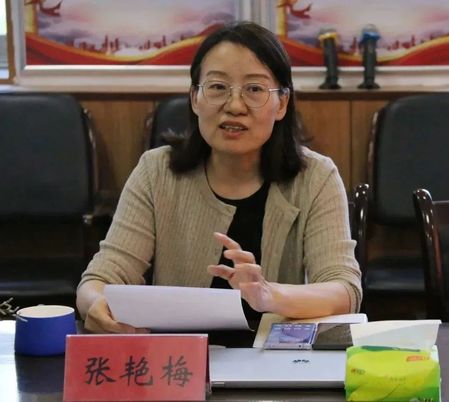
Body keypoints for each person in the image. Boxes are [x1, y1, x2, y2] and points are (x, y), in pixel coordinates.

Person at [77, 21, 362, 334]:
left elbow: (343, 290)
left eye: (254, 89)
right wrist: (96, 303)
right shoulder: (156, 171)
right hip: (178, 354)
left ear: (282, 103)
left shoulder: (316, 177)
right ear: (195, 98)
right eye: (217, 87)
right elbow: (101, 278)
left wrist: (269, 294)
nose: (235, 106)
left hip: (273, 355)